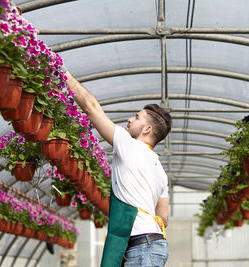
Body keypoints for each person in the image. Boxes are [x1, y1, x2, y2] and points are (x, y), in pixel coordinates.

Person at [63, 69, 172, 266]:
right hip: (154, 245)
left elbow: (91, 108)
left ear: (147, 129)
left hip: (142, 247)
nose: (130, 120)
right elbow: (163, 217)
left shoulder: (129, 145)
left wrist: (64, 73)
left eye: (137, 117)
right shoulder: (160, 171)